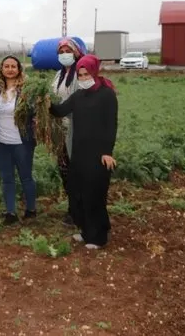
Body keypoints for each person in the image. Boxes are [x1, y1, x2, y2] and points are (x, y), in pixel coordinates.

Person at [49, 54, 118, 249]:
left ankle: (98, 236)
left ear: (94, 72)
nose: (84, 78)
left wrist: (107, 151)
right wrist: (44, 102)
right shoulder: (78, 96)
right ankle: (86, 230)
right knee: (77, 192)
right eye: (80, 75)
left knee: (94, 194)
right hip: (79, 152)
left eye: (87, 74)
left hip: (98, 154)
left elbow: (111, 125)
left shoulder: (106, 94)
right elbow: (60, 111)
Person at [0, 55, 37, 225]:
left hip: (22, 142)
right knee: (6, 178)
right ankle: (11, 212)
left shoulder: (26, 90)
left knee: (26, 177)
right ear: (1, 69)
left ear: (19, 70)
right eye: (6, 66)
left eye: (13, 66)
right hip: (2, 143)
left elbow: (35, 112)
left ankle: (31, 210)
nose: (10, 69)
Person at [52, 37, 85, 226]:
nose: (65, 55)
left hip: (76, 130)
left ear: (76, 52)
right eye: (61, 52)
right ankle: (73, 208)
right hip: (60, 131)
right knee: (65, 171)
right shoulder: (59, 75)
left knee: (76, 171)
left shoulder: (80, 75)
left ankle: (78, 210)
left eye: (68, 51)